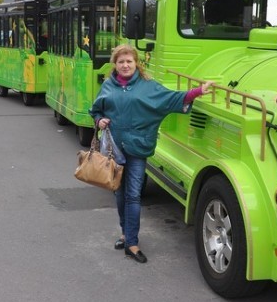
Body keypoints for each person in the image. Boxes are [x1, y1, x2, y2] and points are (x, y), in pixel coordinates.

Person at [89, 44, 214, 264]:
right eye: (121, 62)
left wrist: (198, 91)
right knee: (119, 195)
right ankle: (125, 233)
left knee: (133, 196)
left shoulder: (148, 87)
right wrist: (100, 120)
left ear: (136, 63)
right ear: (115, 65)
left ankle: (132, 243)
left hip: (138, 149)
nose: (126, 65)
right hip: (114, 151)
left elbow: (173, 98)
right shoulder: (108, 86)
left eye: (129, 61)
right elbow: (96, 109)